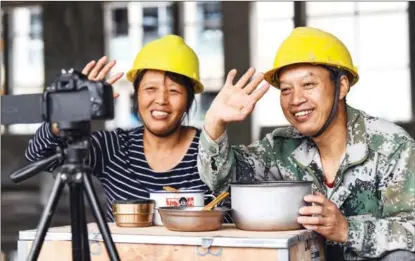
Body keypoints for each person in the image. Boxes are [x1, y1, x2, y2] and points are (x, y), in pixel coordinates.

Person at [197, 27, 415, 261]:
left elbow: (411, 228)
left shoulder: (391, 146)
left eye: (308, 85)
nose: (296, 100)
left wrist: (348, 231)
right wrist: (214, 122)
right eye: (286, 90)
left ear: (341, 86)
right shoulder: (280, 147)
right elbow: (223, 182)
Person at [25, 35, 232, 223]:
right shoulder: (115, 146)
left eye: (174, 91)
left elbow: (230, 219)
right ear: (136, 95)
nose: (161, 100)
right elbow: (37, 156)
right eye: (150, 89)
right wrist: (67, 112)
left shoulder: (212, 152)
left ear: (188, 100)